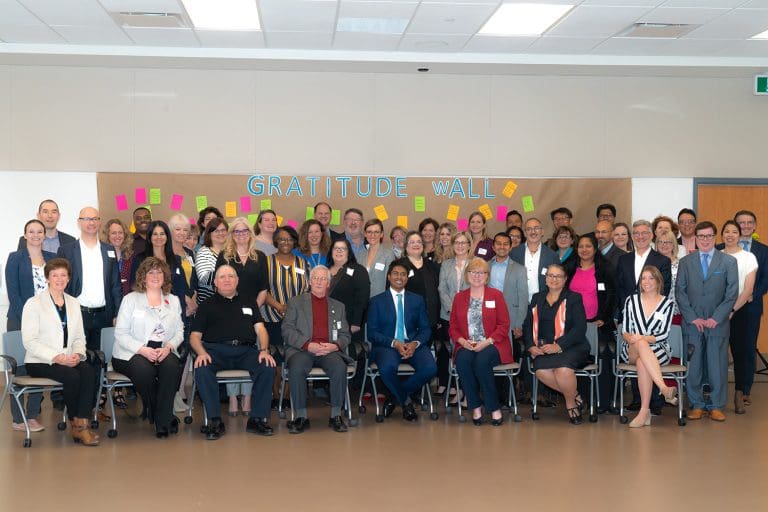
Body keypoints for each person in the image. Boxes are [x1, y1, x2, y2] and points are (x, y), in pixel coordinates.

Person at [190, 265, 277, 440]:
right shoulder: (206, 305)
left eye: (231, 276)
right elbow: (194, 336)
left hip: (246, 351)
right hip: (215, 351)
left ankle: (257, 419)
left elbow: (260, 330)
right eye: (222, 277)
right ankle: (215, 420)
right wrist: (201, 352)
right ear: (215, 282)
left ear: (237, 281)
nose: (227, 279)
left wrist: (265, 350)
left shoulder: (249, 302)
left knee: (267, 366)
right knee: (202, 368)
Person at [21, 258, 99, 446]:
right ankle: (79, 426)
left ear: (69, 278)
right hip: (40, 360)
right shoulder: (34, 303)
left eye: (63, 275)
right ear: (47, 278)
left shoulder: (73, 303)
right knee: (72, 376)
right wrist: (56, 357)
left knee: (88, 371)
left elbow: (80, 336)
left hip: (69, 357)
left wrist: (78, 354)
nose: (59, 279)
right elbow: (29, 341)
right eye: (54, 275)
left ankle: (82, 422)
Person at [113, 258, 184, 438]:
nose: (155, 276)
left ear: (165, 276)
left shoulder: (173, 300)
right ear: (143, 277)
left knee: (171, 367)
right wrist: (142, 350)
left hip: (163, 350)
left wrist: (169, 347)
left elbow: (180, 332)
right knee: (145, 371)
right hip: (131, 352)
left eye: (159, 272)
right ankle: (163, 418)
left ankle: (159, 418)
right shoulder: (130, 300)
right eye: (150, 272)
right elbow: (120, 333)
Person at [676, 221, 738, 422]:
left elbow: (731, 294)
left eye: (709, 236)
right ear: (695, 237)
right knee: (693, 365)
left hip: (717, 323)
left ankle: (716, 405)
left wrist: (716, 317)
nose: (705, 239)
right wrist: (692, 317)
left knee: (717, 364)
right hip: (692, 323)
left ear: (715, 237)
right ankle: (696, 404)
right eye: (701, 236)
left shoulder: (728, 262)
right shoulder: (686, 262)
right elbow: (680, 292)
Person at [282, 265, 351, 434]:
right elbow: (287, 330)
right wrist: (307, 345)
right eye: (316, 278)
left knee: (339, 368)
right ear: (310, 281)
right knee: (297, 368)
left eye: (323, 279)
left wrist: (334, 346)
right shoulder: (295, 302)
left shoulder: (339, 306)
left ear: (329, 283)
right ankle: (301, 417)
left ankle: (336, 415)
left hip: (329, 350)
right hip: (302, 349)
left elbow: (345, 335)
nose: (319, 281)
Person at [5, 219, 57, 432]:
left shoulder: (53, 259)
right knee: (19, 368)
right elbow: (13, 292)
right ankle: (18, 418)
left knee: (38, 366)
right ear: (25, 235)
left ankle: (32, 415)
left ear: (44, 235)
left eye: (39, 232)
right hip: (19, 319)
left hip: (47, 323)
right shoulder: (15, 258)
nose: (36, 235)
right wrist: (28, 319)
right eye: (31, 232)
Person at [367, 261, 436, 421]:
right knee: (387, 368)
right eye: (396, 274)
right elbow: (372, 333)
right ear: (389, 277)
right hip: (387, 345)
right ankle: (406, 402)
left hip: (413, 344)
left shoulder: (417, 300)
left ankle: (395, 397)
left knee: (430, 368)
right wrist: (395, 343)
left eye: (403, 274)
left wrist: (415, 343)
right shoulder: (377, 301)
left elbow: (426, 329)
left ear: (407, 278)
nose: (399, 277)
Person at [615, 220, 671, 414]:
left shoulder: (662, 259)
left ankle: (653, 402)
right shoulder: (623, 259)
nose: (640, 236)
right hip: (630, 316)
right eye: (636, 233)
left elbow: (665, 290)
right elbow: (620, 288)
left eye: (644, 233)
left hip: (652, 317)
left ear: (651, 235)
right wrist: (628, 308)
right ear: (632, 236)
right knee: (638, 345)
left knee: (644, 352)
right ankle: (641, 401)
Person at [524, 264, 590, 424]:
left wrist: (559, 345)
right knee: (540, 371)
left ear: (565, 279)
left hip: (572, 346)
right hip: (544, 349)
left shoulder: (574, 298)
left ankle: (570, 403)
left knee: (563, 370)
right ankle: (576, 396)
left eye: (558, 276)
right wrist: (530, 346)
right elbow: (527, 325)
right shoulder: (536, 298)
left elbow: (580, 328)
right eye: (550, 275)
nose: (554, 279)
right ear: (545, 278)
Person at [216, 217, 269, 415]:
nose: (241, 235)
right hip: (229, 312)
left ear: (250, 233)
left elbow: (264, 288)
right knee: (232, 352)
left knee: (251, 353)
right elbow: (220, 285)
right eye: (236, 231)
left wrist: (251, 311)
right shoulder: (225, 256)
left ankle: (247, 398)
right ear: (232, 235)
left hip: (254, 311)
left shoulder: (260, 257)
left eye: (244, 230)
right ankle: (232, 398)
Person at [450, 258, 512, 426]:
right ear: (467, 275)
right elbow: (453, 327)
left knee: (481, 362)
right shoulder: (459, 297)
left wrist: (486, 342)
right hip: (467, 344)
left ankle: (493, 408)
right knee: (462, 361)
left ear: (487, 276)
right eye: (473, 272)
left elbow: (504, 325)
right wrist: (462, 342)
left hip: (493, 344)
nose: (477, 276)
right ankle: (475, 406)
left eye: (481, 272)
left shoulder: (496, 295)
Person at [57, 207, 122, 352]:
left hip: (105, 315)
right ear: (79, 222)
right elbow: (61, 285)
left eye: (94, 219)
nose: (91, 222)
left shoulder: (109, 250)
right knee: (79, 358)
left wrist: (118, 313)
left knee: (103, 357)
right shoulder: (66, 250)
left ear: (99, 222)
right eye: (86, 219)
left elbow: (115, 285)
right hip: (78, 315)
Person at [620, 266, 678, 427]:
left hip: (659, 349)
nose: (646, 281)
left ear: (658, 281)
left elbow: (663, 334)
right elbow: (624, 330)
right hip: (631, 347)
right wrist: (636, 339)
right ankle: (664, 388)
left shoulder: (667, 304)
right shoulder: (631, 300)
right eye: (643, 278)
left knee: (641, 361)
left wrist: (642, 339)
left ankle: (644, 411)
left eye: (651, 278)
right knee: (640, 344)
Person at [565, 234, 617, 414]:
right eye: (581, 246)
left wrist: (604, 318)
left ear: (595, 249)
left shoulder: (605, 268)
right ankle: (582, 399)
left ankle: (603, 402)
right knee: (577, 360)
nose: (584, 250)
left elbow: (612, 295)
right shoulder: (569, 268)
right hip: (573, 327)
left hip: (598, 325)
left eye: (588, 246)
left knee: (602, 359)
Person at [263, 226, 309, 407]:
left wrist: (293, 310)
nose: (285, 243)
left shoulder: (303, 263)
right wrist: (279, 306)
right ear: (276, 241)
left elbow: (307, 291)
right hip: (272, 317)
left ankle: (289, 396)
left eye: (289, 239)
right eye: (281, 239)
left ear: (295, 241)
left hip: (298, 321)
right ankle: (275, 397)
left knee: (293, 357)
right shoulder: (266, 262)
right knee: (275, 360)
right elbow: (262, 290)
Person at [720, 220, 758, 414]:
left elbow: (748, 289)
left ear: (739, 235)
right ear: (722, 235)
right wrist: (722, 310)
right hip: (717, 311)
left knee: (740, 353)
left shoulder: (749, 257)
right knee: (716, 353)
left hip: (739, 310)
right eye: (726, 231)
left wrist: (732, 310)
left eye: (734, 231)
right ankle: (714, 393)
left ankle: (739, 392)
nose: (730, 235)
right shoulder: (716, 256)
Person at [733, 210, 768, 408]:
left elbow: (765, 279)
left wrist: (752, 294)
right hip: (725, 308)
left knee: (746, 349)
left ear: (754, 226)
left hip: (751, 306)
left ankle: (745, 390)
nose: (745, 226)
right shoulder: (722, 248)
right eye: (741, 223)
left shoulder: (764, 251)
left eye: (749, 222)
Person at [327, 238, 370, 391]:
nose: (339, 251)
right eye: (336, 248)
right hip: (327, 325)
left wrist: (356, 322)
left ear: (348, 252)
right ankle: (329, 389)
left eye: (343, 248)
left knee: (350, 355)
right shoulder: (324, 270)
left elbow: (362, 297)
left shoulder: (358, 270)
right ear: (331, 252)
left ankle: (350, 390)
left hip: (350, 324)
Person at [132, 220, 193, 321]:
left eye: (162, 234)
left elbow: (181, 287)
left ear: (167, 236)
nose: (159, 237)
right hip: (149, 313)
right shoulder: (140, 259)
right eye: (155, 234)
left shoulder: (175, 259)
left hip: (173, 313)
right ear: (150, 237)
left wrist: (182, 313)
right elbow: (135, 286)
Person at [438, 231, 471, 401]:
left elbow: (477, 289)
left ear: (469, 245)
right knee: (455, 354)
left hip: (470, 317)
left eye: (463, 242)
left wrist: (462, 311)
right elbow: (442, 289)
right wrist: (453, 310)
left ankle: (467, 391)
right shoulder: (446, 265)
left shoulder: (476, 264)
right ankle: (458, 389)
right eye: (457, 242)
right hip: (449, 316)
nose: (460, 245)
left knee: (467, 353)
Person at [397, 231, 441, 339]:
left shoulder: (431, 265)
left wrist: (438, 317)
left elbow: (437, 291)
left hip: (430, 319)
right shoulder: (399, 265)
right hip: (407, 319)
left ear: (423, 246)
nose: (416, 244)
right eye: (412, 242)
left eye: (419, 242)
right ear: (406, 247)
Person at [511, 217, 558, 302]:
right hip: (518, 302)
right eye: (529, 229)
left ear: (542, 232)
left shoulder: (552, 256)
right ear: (525, 233)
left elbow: (557, 281)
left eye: (536, 228)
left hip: (543, 302)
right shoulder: (514, 253)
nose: (533, 232)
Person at [194, 217, 228, 305]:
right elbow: (204, 278)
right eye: (216, 231)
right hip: (210, 303)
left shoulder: (231, 251)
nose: (220, 233)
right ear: (209, 233)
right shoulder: (204, 252)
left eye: (223, 230)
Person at [101, 219, 135, 297]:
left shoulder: (131, 257)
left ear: (125, 235)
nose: (117, 236)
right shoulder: (101, 256)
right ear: (107, 235)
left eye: (120, 233)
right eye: (113, 233)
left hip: (126, 300)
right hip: (106, 300)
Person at [363, 219, 394, 298]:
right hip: (362, 301)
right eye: (369, 232)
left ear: (381, 234)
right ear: (365, 234)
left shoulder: (388, 254)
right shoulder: (360, 255)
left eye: (376, 232)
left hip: (380, 300)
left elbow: (390, 281)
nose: (372, 235)